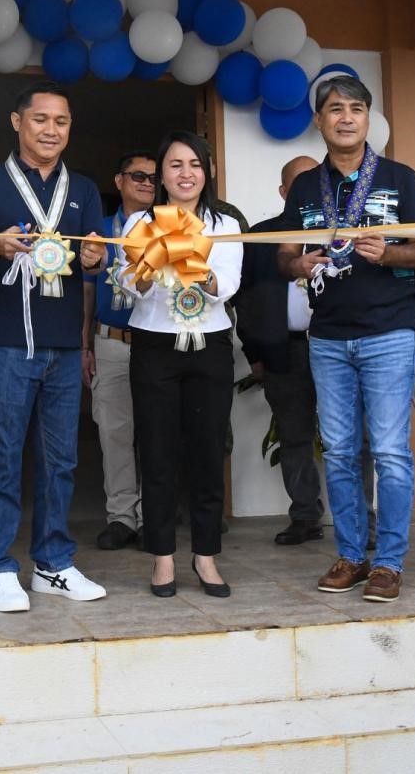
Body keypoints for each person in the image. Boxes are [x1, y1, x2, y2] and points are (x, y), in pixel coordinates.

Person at [278, 76, 415, 604]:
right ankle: (351, 555)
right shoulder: (305, 187)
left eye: (356, 109)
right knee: (342, 453)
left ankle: (389, 562)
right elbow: (284, 256)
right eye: (334, 110)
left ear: (369, 119)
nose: (346, 118)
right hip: (326, 338)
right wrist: (296, 263)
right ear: (319, 122)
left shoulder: (400, 177)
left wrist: (387, 254)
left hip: (389, 332)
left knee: (390, 452)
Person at [0, 81, 107, 612]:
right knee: (2, 457)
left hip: (65, 343)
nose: (51, 130)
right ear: (17, 122)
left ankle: (53, 564)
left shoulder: (84, 189)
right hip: (7, 343)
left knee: (61, 460)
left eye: (61, 122)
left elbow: (97, 255)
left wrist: (94, 259)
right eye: (41, 119)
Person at [119, 131, 243, 598]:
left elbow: (224, 287)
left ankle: (206, 555)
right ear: (161, 175)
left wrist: (189, 255)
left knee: (208, 452)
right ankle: (162, 557)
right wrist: (156, 252)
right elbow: (134, 286)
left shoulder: (225, 224)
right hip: (153, 345)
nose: (185, 173)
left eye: (194, 164)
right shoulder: (137, 224)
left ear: (206, 171)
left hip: (209, 346)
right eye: (174, 165)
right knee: (156, 452)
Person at [240, 155, 325, 545]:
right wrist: (255, 353)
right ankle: (305, 516)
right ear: (283, 192)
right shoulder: (261, 237)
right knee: (294, 436)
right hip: (284, 351)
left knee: (352, 439)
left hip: (336, 348)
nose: (308, 188)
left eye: (315, 180)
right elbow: (246, 300)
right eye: (299, 182)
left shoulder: (341, 231)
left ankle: (364, 520)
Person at [83, 150, 156, 551]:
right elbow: (89, 289)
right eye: (138, 176)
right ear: (119, 181)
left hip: (155, 343)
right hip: (110, 340)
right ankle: (122, 517)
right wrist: (84, 345)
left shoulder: (168, 228)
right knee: (114, 433)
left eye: (152, 178)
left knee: (155, 433)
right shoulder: (100, 231)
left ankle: (151, 517)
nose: (146, 183)